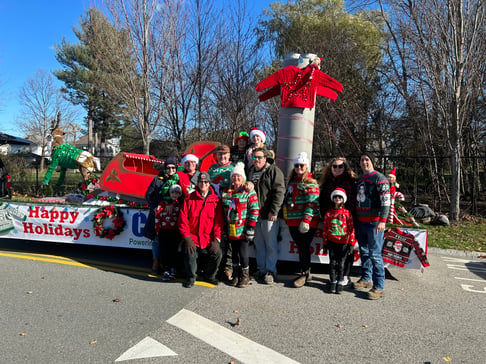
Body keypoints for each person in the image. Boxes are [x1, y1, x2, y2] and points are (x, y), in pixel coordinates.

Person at [354, 153, 391, 300]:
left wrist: (382, 220)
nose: (364, 162)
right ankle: (366, 278)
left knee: (375, 254)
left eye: (367, 160)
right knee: (363, 251)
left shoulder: (379, 179)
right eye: (362, 160)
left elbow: (386, 201)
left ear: (372, 162)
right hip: (360, 220)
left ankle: (379, 286)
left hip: (374, 222)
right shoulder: (360, 179)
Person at [178, 172, 224, 288]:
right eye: (200, 182)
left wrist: (216, 240)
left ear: (209, 184)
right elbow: (182, 220)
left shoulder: (215, 200)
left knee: (218, 254)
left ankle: (209, 275)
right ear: (197, 183)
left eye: (205, 182)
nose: (203, 184)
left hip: (208, 237)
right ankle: (191, 277)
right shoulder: (189, 198)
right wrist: (187, 238)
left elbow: (219, 222)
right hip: (192, 236)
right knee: (190, 252)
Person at [247, 148, 285, 284]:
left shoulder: (273, 171)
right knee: (259, 244)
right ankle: (261, 269)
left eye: (259, 157)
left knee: (271, 244)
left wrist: (274, 210)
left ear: (265, 158)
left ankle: (271, 271)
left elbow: (279, 191)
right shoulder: (250, 171)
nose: (256, 160)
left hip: (268, 214)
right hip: (254, 214)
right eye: (254, 157)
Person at [282, 152, 320, 288]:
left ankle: (304, 273)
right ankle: (306, 271)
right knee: (300, 246)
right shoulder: (292, 181)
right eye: (297, 165)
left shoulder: (310, 182)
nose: (299, 168)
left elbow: (312, 203)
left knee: (303, 247)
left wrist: (306, 220)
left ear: (307, 166)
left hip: (304, 223)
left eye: (302, 165)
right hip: (292, 220)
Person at [319, 157, 357, 286]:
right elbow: (323, 200)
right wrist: (326, 216)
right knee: (334, 254)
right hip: (331, 222)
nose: (337, 169)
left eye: (340, 166)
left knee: (346, 251)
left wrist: (347, 217)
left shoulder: (350, 182)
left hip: (345, 221)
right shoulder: (327, 182)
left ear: (345, 168)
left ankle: (345, 275)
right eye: (334, 166)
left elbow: (352, 202)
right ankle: (334, 276)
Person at [221, 162, 259, 288]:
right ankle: (236, 275)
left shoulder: (248, 192)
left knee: (243, 253)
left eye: (239, 177)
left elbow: (254, 209)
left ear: (243, 178)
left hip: (243, 229)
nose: (236, 179)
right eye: (234, 176)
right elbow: (224, 210)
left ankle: (245, 276)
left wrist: (251, 227)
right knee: (234, 253)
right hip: (231, 229)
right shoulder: (227, 192)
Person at [144, 156, 180, 274]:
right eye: (168, 168)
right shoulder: (157, 180)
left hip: (174, 214)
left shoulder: (179, 179)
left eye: (173, 168)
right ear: (165, 168)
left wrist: (174, 204)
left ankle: (168, 264)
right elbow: (149, 195)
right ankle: (156, 262)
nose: (170, 170)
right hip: (159, 213)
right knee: (157, 239)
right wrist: (155, 207)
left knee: (172, 241)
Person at [208, 144, 235, 281]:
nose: (222, 157)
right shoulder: (211, 168)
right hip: (213, 207)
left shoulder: (233, 167)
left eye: (224, 154)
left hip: (228, 208)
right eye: (219, 154)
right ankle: (215, 265)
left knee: (229, 237)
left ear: (229, 155)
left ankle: (228, 267)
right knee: (216, 234)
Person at [322, 188, 356, 294]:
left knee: (341, 263)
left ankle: (340, 282)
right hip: (332, 241)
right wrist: (325, 243)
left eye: (340, 197)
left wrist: (351, 243)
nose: (337, 198)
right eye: (335, 196)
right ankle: (333, 281)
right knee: (332, 262)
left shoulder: (347, 213)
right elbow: (325, 228)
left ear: (343, 199)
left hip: (344, 242)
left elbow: (351, 229)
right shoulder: (329, 213)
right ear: (332, 199)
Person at [154, 184, 183, 281]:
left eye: (177, 193)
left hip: (175, 231)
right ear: (169, 193)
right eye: (173, 192)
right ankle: (166, 270)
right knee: (164, 250)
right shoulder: (163, 203)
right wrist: (158, 229)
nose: (175, 195)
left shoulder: (180, 204)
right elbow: (158, 216)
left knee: (174, 251)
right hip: (164, 231)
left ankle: (173, 269)